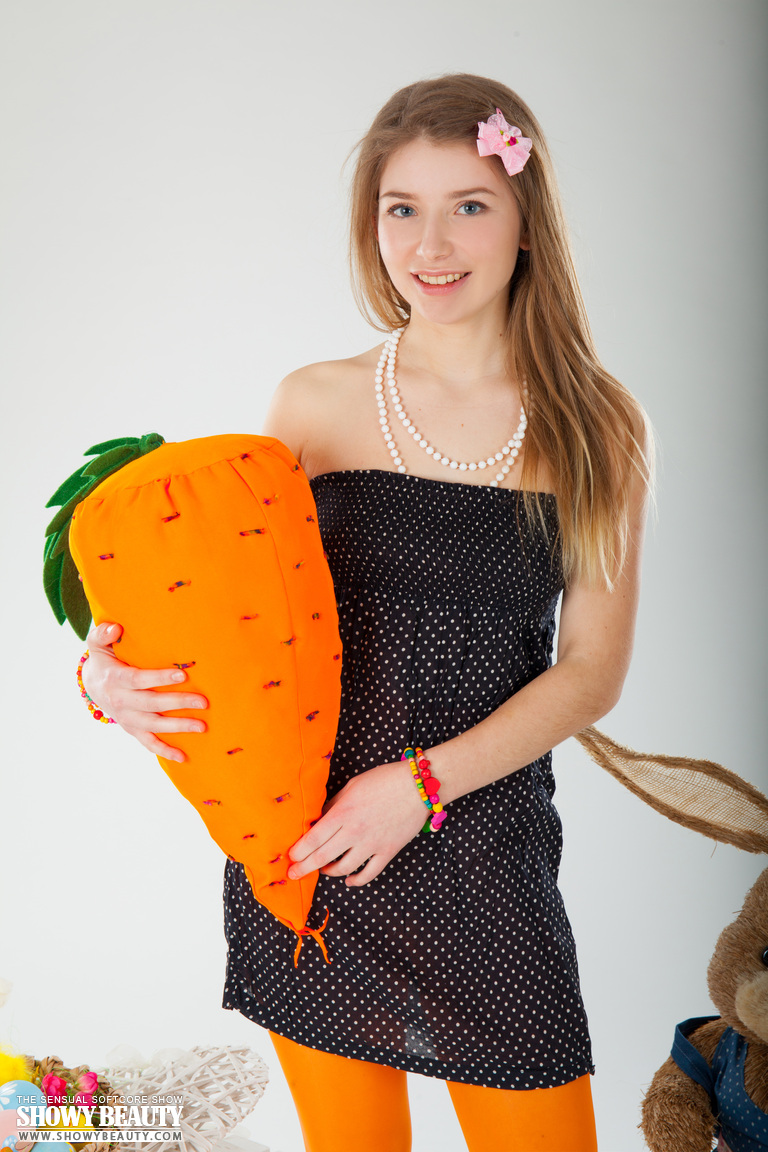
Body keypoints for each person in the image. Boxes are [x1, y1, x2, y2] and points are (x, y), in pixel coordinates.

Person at [81, 74, 653, 1152]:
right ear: (371, 224)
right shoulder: (314, 402)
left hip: (486, 860)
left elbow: (591, 671)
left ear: (527, 221)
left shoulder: (598, 427)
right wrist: (102, 678)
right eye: (402, 209)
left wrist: (419, 786)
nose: (431, 244)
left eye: (469, 204)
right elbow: (218, 602)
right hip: (315, 857)